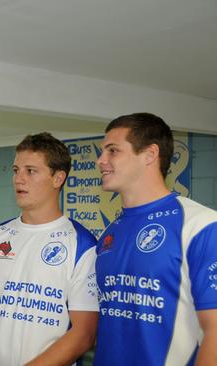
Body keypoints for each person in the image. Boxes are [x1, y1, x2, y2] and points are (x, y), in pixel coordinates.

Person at [0, 132, 99, 366]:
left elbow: (83, 334)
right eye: (16, 170)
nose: (18, 179)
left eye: (30, 171)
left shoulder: (82, 245)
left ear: (58, 178)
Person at [93, 113, 217, 365]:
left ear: (150, 154)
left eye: (112, 151)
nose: (100, 161)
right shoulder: (110, 233)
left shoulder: (201, 226)